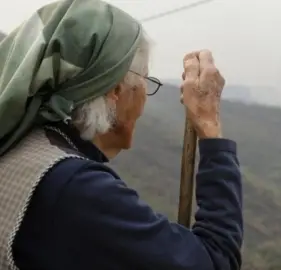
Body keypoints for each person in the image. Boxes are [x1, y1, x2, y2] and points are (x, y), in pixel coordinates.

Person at [0, 1, 243, 270]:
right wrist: (210, 127)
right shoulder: (74, 189)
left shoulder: (18, 145)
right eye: (146, 82)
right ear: (116, 90)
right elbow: (215, 261)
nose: (144, 100)